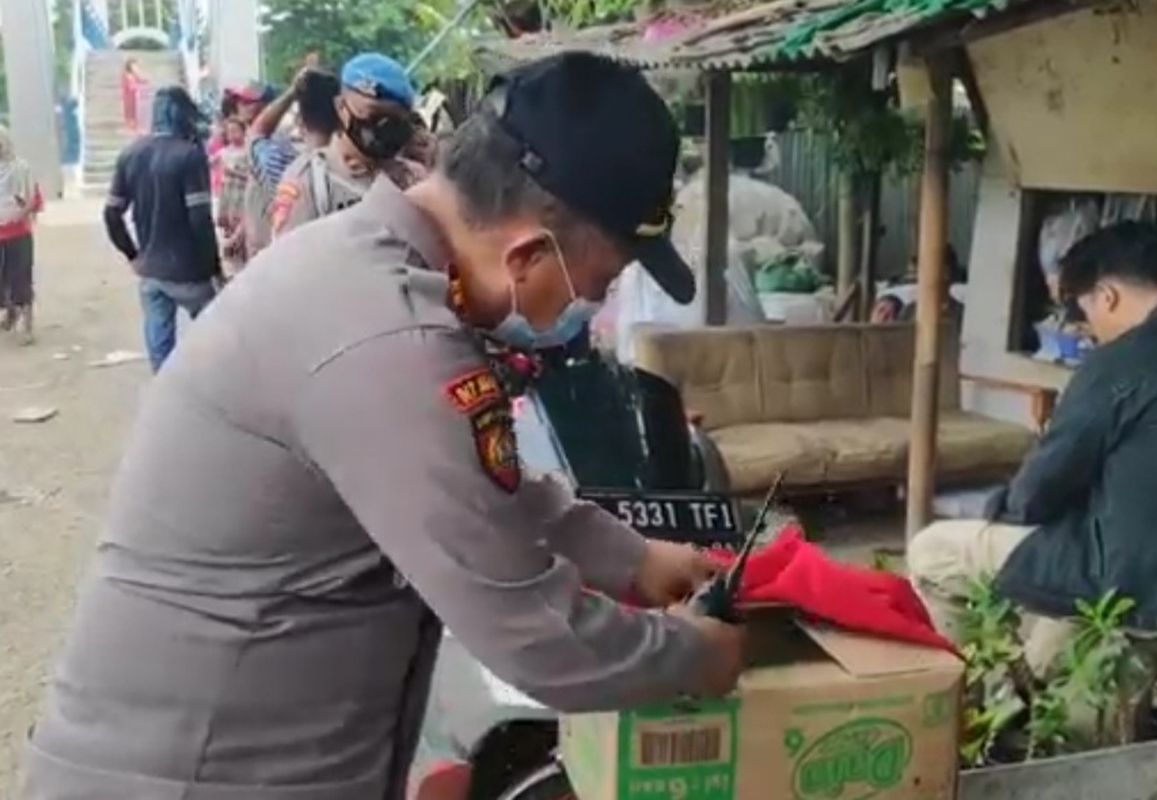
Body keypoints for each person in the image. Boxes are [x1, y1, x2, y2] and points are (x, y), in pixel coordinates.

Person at [25, 52, 744, 799]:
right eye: (597, 283)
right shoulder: (386, 336)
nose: (587, 307)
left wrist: (630, 555)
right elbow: (533, 634)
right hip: (189, 776)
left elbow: (482, 484)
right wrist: (693, 653)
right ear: (529, 253)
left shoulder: (379, 274)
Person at [909, 221, 1157, 675]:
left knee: (934, 551)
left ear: (1107, 296)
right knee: (1055, 630)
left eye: (1084, 313)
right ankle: (1035, 691)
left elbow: (1036, 494)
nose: (1088, 330)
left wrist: (997, 506)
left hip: (1142, 588)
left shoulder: (1119, 362)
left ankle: (984, 695)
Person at [102, 87, 221, 372]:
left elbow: (111, 213)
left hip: (151, 271)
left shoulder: (131, 154)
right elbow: (199, 221)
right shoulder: (190, 155)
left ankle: (165, 399)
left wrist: (132, 254)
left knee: (160, 346)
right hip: (188, 271)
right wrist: (213, 268)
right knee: (216, 337)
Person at [272, 53, 424, 238]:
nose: (384, 128)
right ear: (341, 108)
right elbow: (287, 258)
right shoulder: (309, 181)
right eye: (374, 115)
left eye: (396, 120)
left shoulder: (414, 178)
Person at [243, 68, 340, 258]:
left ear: (299, 120)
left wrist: (292, 93)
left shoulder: (282, 166)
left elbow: (257, 132)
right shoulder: (358, 168)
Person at [0, 126, 43, 344]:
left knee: (21, 279)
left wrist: (21, 212)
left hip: (18, 232)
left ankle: (27, 326)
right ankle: (10, 311)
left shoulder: (21, 169)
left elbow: (35, 199)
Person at [216, 117, 250, 277]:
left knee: (243, 228)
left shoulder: (248, 151)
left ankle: (244, 259)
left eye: (236, 131)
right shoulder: (225, 152)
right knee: (229, 228)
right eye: (229, 132)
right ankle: (233, 260)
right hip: (228, 196)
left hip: (242, 194)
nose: (232, 135)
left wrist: (235, 173)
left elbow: (253, 177)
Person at [121, 57, 148, 133]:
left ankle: (135, 127)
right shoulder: (126, 74)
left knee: (135, 111)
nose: (135, 67)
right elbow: (129, 86)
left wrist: (143, 80)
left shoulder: (135, 75)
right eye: (133, 66)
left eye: (136, 66)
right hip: (128, 95)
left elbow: (142, 80)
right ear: (129, 66)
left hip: (135, 95)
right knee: (130, 111)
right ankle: (131, 127)